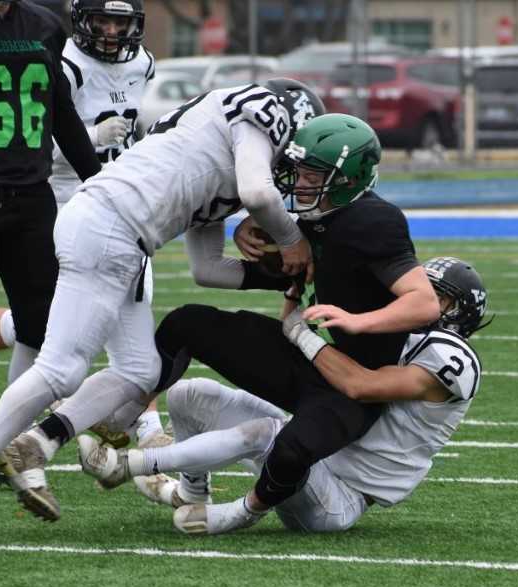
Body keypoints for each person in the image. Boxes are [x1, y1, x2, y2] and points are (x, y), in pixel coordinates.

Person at [0, 78, 325, 538]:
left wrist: (276, 276)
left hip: (121, 237)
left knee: (140, 369)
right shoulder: (260, 109)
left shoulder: (216, 156)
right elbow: (260, 194)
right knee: (60, 370)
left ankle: (39, 441)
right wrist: (293, 241)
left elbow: (208, 269)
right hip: (109, 227)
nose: (293, 171)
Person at [75, 113, 442, 533]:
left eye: (313, 174)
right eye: (298, 170)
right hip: (306, 355)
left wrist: (359, 320)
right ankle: (123, 418)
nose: (300, 182)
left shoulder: (374, 221)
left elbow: (423, 302)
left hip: (352, 384)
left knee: (288, 452)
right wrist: (246, 232)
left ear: (348, 179)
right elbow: (275, 257)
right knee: (187, 323)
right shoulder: (316, 215)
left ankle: (241, 512)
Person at [0, 0, 160, 449]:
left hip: (31, 193)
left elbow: (60, 113)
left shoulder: (43, 25)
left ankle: (8, 436)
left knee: (40, 328)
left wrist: (103, 188)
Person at [79, 256, 488, 534]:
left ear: (460, 311)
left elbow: (361, 385)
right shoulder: (396, 332)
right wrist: (295, 299)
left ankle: (130, 465)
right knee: (188, 395)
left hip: (339, 497)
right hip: (315, 450)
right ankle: (191, 489)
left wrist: (306, 338)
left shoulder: (451, 359)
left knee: (268, 433)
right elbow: (298, 346)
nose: (421, 300)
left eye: (439, 297)